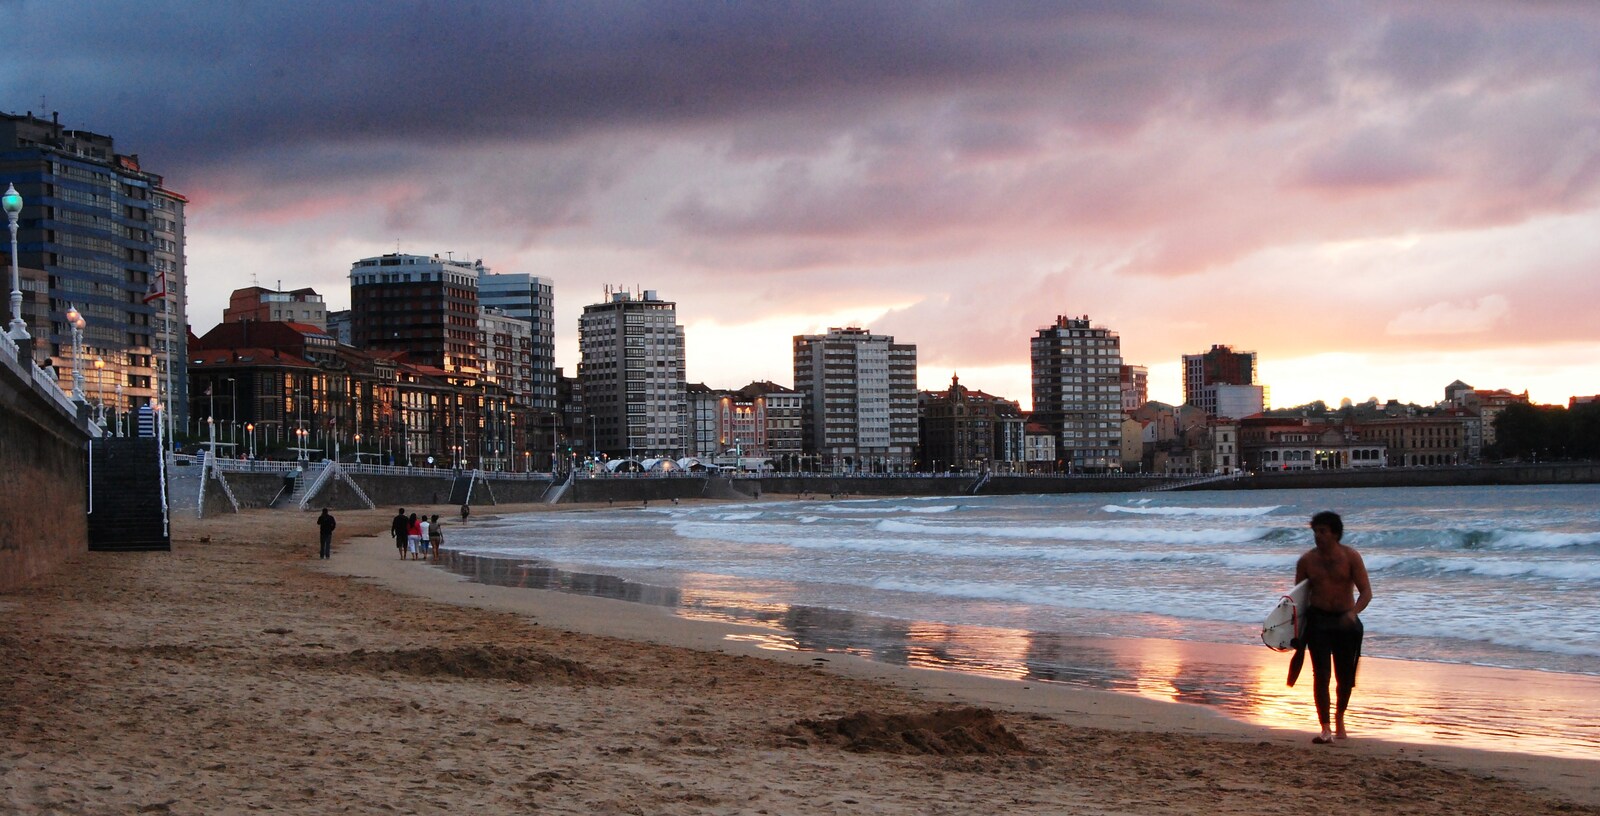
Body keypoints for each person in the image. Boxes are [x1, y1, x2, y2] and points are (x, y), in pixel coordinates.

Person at [1294, 510, 1372, 744]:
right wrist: (1295, 630)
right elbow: (1298, 597)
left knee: (1345, 676)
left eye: (1323, 532)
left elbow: (1366, 592)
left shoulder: (1351, 557)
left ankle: (1339, 718)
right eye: (1315, 532)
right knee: (1321, 674)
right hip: (1318, 621)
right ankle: (1325, 727)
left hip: (1345, 621)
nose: (1318, 536)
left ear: (1335, 534)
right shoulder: (1306, 561)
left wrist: (1353, 613)